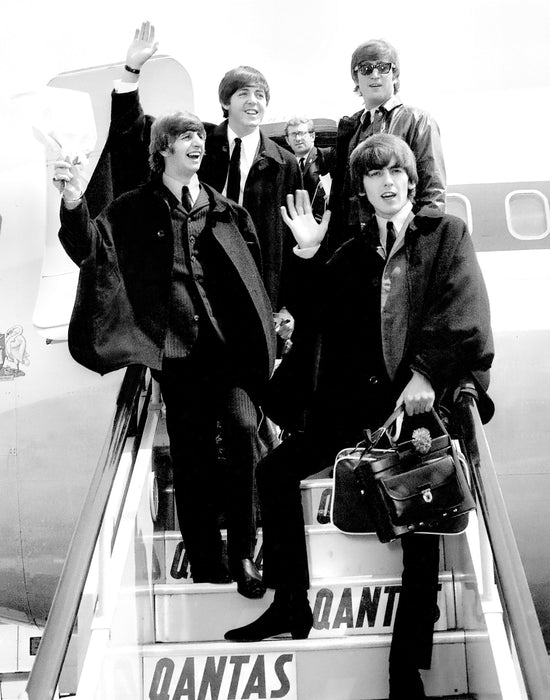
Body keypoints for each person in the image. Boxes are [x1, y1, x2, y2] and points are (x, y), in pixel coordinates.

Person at [224, 134, 494, 700]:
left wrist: (425, 372)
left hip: (414, 406)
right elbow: (312, 315)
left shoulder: (445, 236)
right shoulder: (349, 251)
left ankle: (406, 670)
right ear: (362, 187)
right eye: (374, 175)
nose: (387, 182)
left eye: (396, 172)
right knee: (275, 473)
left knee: (418, 526)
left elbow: (462, 308)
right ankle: (291, 604)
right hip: (353, 405)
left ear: (411, 180)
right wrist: (305, 251)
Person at [53, 110, 276, 599]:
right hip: (178, 355)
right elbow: (88, 249)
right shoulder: (134, 209)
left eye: (199, 135)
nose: (197, 142)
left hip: (229, 353)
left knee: (242, 432)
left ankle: (244, 552)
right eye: (185, 136)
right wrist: (73, 202)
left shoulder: (227, 212)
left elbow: (256, 278)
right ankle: (205, 562)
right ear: (164, 151)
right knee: (192, 458)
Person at [108, 22, 300, 335]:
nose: (254, 101)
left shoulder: (285, 164)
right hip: (200, 278)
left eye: (261, 95)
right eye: (244, 93)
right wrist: (132, 71)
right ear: (225, 102)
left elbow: (290, 239)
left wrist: (287, 304)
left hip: (255, 282)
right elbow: (136, 134)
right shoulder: (198, 141)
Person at [327, 38, 446, 253]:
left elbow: (432, 194)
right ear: (356, 77)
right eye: (366, 69)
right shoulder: (350, 128)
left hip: (402, 243)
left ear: (395, 74)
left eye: (383, 67)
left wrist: (418, 245)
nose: (375, 74)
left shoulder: (417, 120)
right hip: (358, 248)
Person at [284, 117, 333, 223]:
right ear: (287, 140)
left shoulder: (327, 156)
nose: (298, 138)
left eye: (301, 133)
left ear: (312, 136)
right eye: (293, 134)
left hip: (324, 225)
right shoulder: (286, 165)